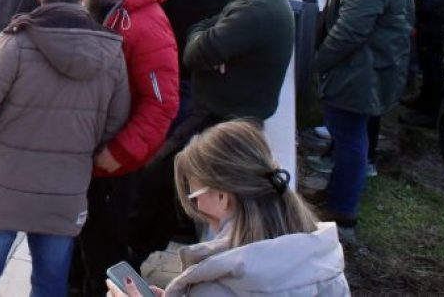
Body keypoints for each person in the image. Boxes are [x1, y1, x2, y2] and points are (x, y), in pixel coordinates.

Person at [0, 0, 130, 297]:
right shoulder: (110, 52)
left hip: (1, 187)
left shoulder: (15, 42)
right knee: (50, 286)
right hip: (64, 193)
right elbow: (115, 120)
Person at [130, 0, 294, 266]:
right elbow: (202, 31)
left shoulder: (256, 10)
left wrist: (205, 41)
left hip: (221, 118)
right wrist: (206, 37)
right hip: (220, 111)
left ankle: (134, 253)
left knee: (159, 174)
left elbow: (194, 53)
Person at [108, 120, 348, 297]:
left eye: (194, 194)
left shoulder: (220, 287)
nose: (195, 205)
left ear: (223, 196)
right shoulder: (324, 261)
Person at [77, 0, 179, 296]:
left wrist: (117, 154)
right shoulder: (106, 6)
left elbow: (161, 103)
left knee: (105, 254)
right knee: (86, 249)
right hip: (94, 162)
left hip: (114, 168)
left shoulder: (145, 25)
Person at [314, 0, 416, 240]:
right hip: (369, 70)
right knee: (350, 137)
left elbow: (349, 32)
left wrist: (318, 63)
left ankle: (342, 211)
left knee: (349, 139)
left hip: (359, 72)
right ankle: (337, 195)